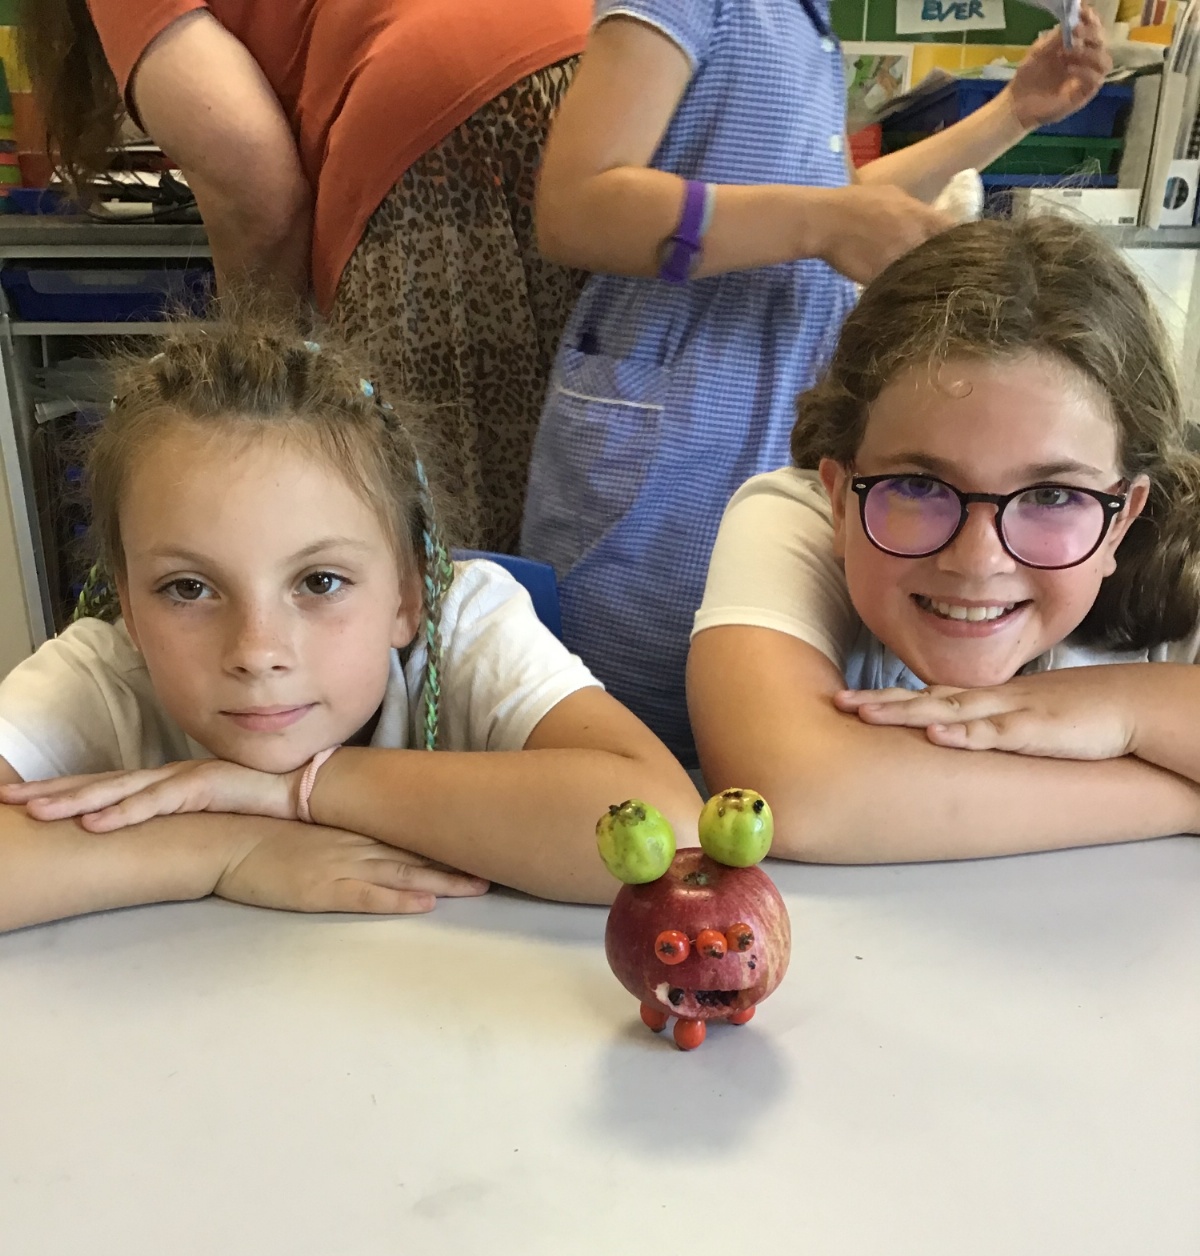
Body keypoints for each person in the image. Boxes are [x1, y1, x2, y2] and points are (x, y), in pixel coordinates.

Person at [520, 0, 1112, 760]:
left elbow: (834, 197)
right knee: (630, 715)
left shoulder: (806, 23)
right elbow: (576, 206)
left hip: (767, 416)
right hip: (674, 440)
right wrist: (825, 223)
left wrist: (1012, 113)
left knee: (746, 692)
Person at [0, 309, 700, 934]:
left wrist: (296, 792)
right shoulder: (106, 674)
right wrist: (228, 848)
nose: (257, 651)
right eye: (188, 588)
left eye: (320, 582)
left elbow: (669, 830)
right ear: (127, 603)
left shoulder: (463, 627)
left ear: (408, 597)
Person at [687, 213, 1200, 863]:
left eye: (1051, 496)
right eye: (919, 486)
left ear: (1122, 518)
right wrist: (1183, 794)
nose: (978, 560)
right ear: (840, 499)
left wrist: (1130, 707)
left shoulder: (1184, 564)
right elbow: (786, 795)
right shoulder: (790, 517)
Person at [21, 0, 592, 552]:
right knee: (587, 496)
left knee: (435, 542)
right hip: (598, 75)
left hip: (439, 125)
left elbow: (254, 190)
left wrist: (253, 391)